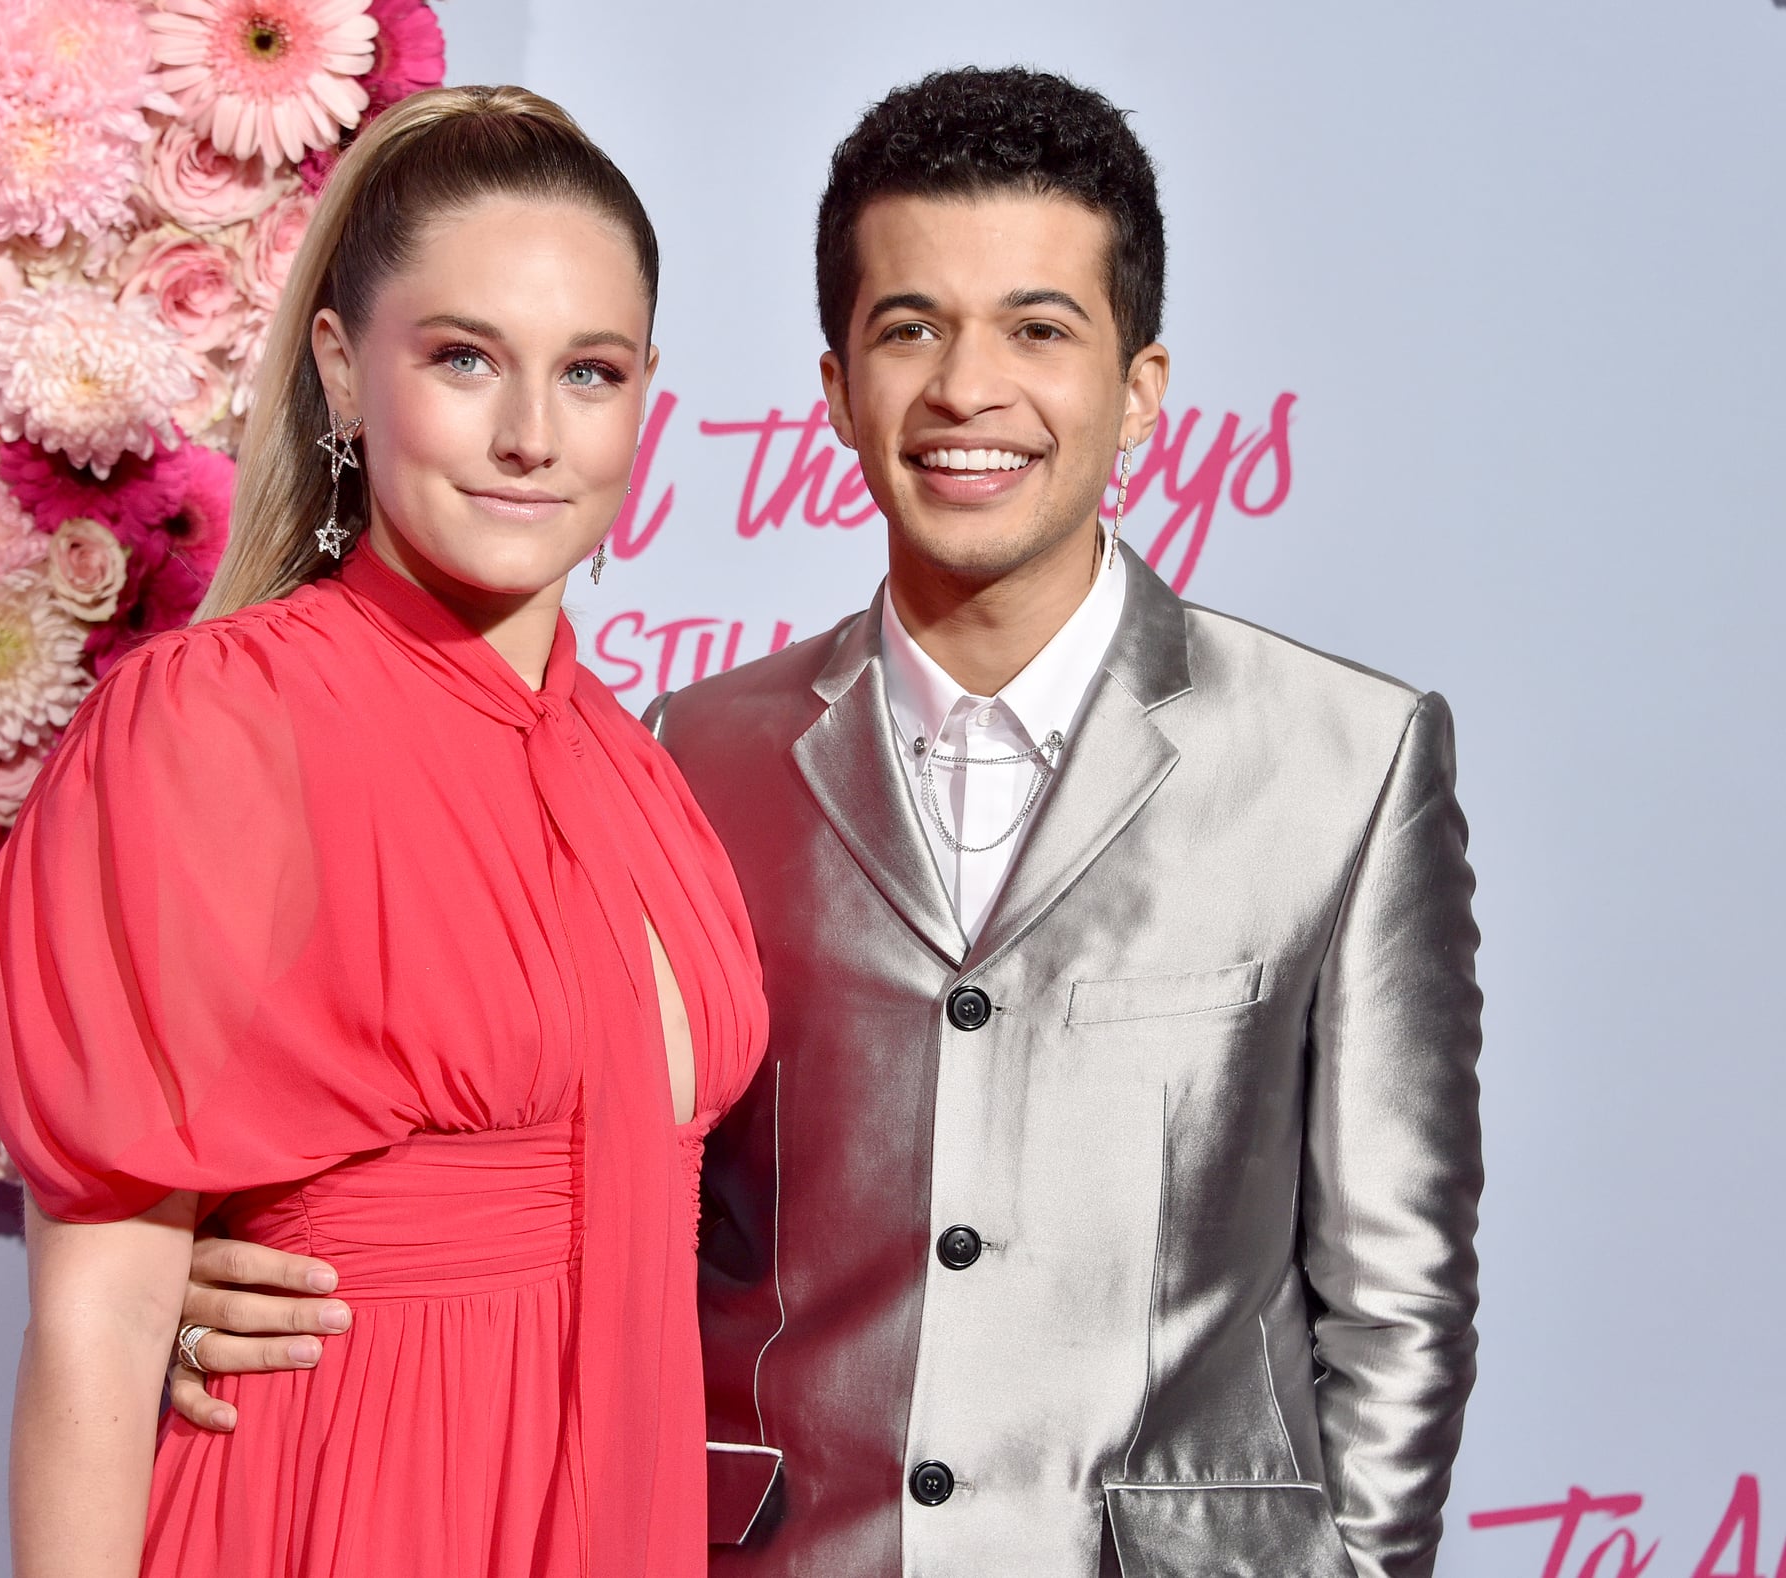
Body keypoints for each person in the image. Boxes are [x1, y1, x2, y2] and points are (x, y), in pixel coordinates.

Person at [167, 68, 1483, 1578]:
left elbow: (1398, 1299)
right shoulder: (686, 758)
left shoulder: (1346, 758)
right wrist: (223, 1276)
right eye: (909, 327)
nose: (967, 389)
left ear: (1143, 389)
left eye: (1039, 330)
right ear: (837, 387)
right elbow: (577, 1176)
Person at [0, 86, 768, 1578]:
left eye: (588, 372)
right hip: (336, 1508)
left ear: (646, 395)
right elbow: (100, 1313)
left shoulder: (643, 774)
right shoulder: (217, 724)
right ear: (343, 371)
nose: (532, 435)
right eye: (464, 359)